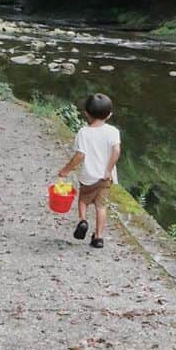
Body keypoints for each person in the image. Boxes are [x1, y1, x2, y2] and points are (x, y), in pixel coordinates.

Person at [57, 93, 121, 250]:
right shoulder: (113, 131)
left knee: (83, 201)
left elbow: (80, 155)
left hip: (88, 176)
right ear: (110, 115)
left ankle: (83, 220)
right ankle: (98, 238)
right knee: (101, 206)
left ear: (86, 113)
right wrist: (108, 169)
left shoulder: (83, 133)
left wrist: (66, 170)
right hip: (106, 177)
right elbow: (116, 151)